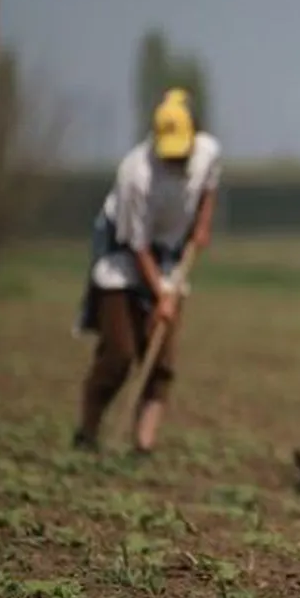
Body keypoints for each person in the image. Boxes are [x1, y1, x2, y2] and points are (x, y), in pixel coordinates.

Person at [71, 88, 222, 456]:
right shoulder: (135, 174)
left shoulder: (208, 152)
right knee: (119, 354)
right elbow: (136, 244)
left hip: (171, 256)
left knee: (161, 358)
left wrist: (203, 223)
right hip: (123, 259)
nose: (175, 160)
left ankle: (144, 445)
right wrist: (161, 295)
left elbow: (209, 187)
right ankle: (87, 431)